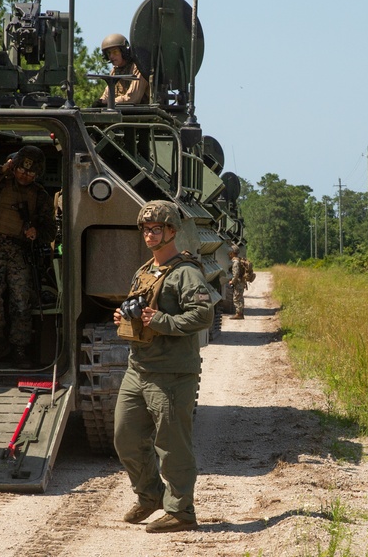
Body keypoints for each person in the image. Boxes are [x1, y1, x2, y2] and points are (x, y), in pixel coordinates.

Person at [113, 200, 214, 533]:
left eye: (157, 228)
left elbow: (203, 315)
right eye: (145, 229)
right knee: (125, 438)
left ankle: (181, 511)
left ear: (172, 231)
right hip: (138, 368)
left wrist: (162, 321)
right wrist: (123, 317)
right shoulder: (145, 271)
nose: (150, 234)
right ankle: (150, 496)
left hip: (171, 374)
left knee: (172, 447)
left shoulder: (186, 272)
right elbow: (139, 309)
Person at [0, 145, 55, 366]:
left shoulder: (40, 196)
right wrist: (1, 169)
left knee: (21, 302)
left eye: (30, 173)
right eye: (21, 171)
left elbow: (50, 231)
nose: (24, 176)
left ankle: (19, 348)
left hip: (19, 249)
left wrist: (36, 232)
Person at [95, 33, 148, 106]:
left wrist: (110, 102)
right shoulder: (115, 71)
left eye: (115, 52)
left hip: (141, 113)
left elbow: (133, 98)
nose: (111, 56)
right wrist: (101, 102)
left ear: (123, 52)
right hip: (122, 111)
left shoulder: (138, 68)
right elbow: (107, 95)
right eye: (108, 53)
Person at [227, 244, 246, 320]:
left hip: (238, 282)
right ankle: (240, 313)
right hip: (241, 282)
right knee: (239, 297)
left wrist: (232, 281)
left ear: (232, 252)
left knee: (236, 298)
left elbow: (236, 274)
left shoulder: (235, 262)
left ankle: (239, 314)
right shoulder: (239, 259)